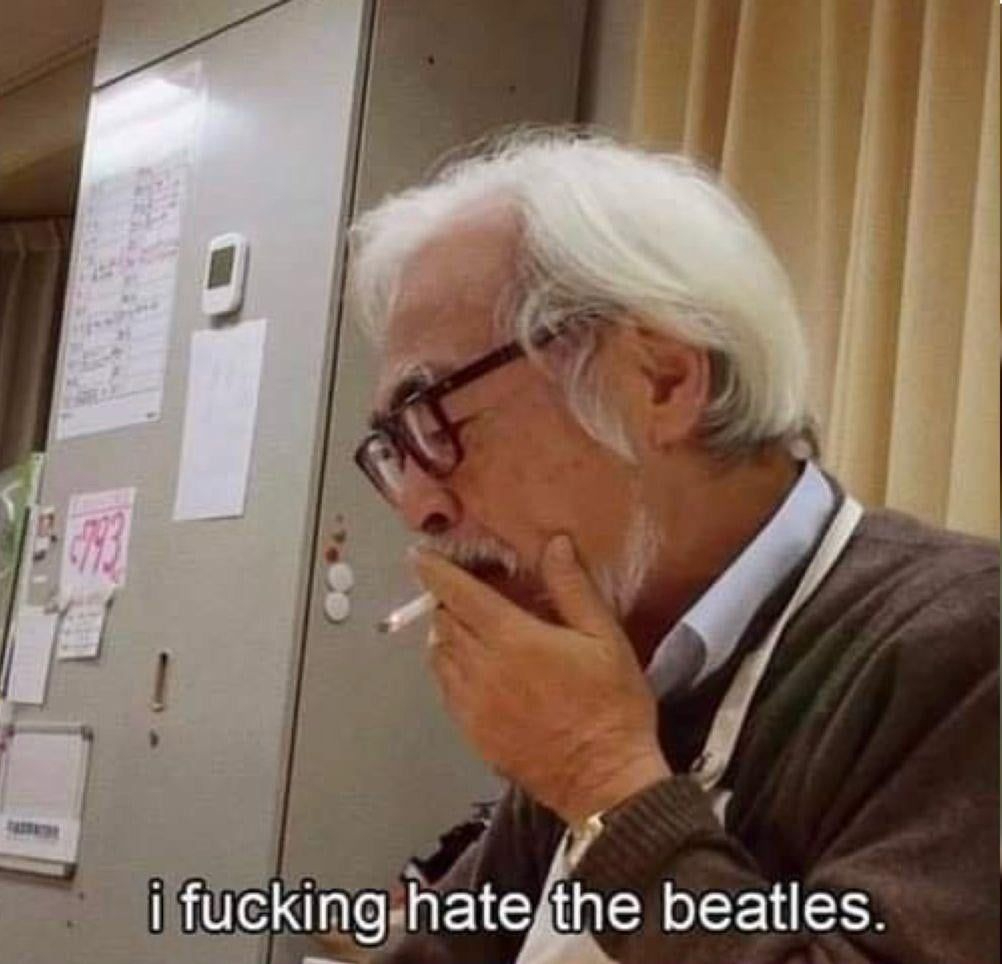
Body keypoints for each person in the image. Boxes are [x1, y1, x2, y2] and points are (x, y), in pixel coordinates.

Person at [347, 133, 999, 963]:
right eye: (394, 447)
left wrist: (603, 780)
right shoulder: (620, 649)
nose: (419, 506)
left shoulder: (964, 645)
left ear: (661, 380)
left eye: (433, 416)